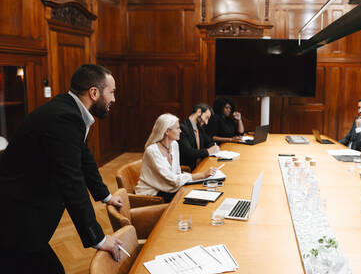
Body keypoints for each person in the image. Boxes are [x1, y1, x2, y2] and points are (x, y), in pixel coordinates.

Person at [0, 64, 124, 273]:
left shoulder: (69, 111)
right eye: (111, 92)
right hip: (15, 216)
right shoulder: (64, 118)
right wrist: (99, 238)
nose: (114, 98)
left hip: (20, 213)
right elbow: (71, 180)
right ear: (94, 92)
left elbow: (85, 158)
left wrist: (105, 196)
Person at [135, 114, 217, 202]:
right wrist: (201, 175)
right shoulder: (152, 151)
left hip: (168, 188)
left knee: (197, 192)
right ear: (167, 131)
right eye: (177, 128)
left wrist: (197, 178)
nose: (180, 131)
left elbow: (177, 173)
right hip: (152, 194)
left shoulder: (174, 144)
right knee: (189, 198)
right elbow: (171, 180)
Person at [178, 103, 220, 171]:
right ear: (199, 112)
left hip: (201, 166)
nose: (206, 122)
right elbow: (188, 152)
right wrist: (208, 151)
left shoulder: (199, 128)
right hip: (188, 170)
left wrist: (213, 147)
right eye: (206, 118)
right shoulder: (182, 128)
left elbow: (209, 142)